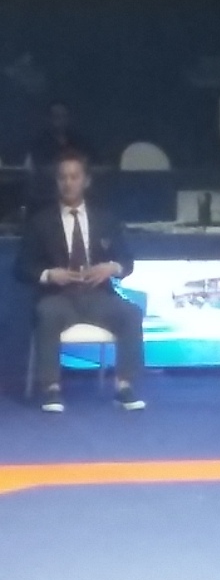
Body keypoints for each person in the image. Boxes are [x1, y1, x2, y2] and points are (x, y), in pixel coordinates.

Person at [14, 150, 145, 413]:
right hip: (58, 297)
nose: (68, 183)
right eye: (63, 177)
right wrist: (49, 274)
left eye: (74, 177)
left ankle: (124, 387)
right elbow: (21, 268)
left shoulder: (105, 219)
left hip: (98, 295)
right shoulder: (40, 222)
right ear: (57, 182)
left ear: (86, 181)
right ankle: (51, 388)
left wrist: (112, 267)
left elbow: (127, 261)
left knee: (131, 313)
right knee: (46, 313)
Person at [27, 101, 98, 170]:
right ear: (49, 119)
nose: (60, 120)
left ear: (68, 118)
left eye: (63, 116)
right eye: (56, 116)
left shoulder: (79, 141)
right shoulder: (39, 144)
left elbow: (93, 162)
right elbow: (37, 166)